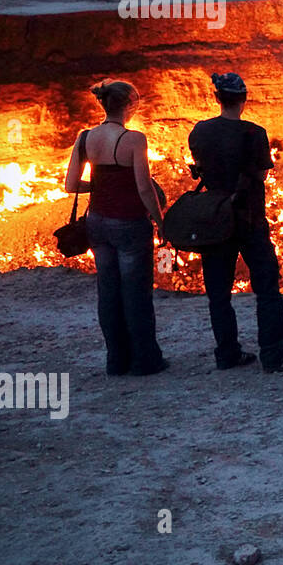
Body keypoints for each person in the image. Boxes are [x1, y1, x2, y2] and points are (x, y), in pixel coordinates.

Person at [188, 73, 283, 373]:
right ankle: (273, 355)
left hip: (214, 221)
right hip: (249, 220)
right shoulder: (254, 133)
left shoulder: (200, 131)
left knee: (218, 292)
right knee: (266, 288)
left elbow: (200, 166)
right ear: (244, 99)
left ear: (217, 98)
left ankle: (227, 353)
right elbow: (261, 175)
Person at [64, 79, 168, 376]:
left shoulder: (85, 138)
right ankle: (145, 361)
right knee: (136, 293)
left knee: (108, 292)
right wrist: (161, 223)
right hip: (130, 224)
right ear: (130, 106)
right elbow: (145, 189)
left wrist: (99, 185)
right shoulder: (135, 140)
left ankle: (116, 361)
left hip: (97, 223)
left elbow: (71, 184)